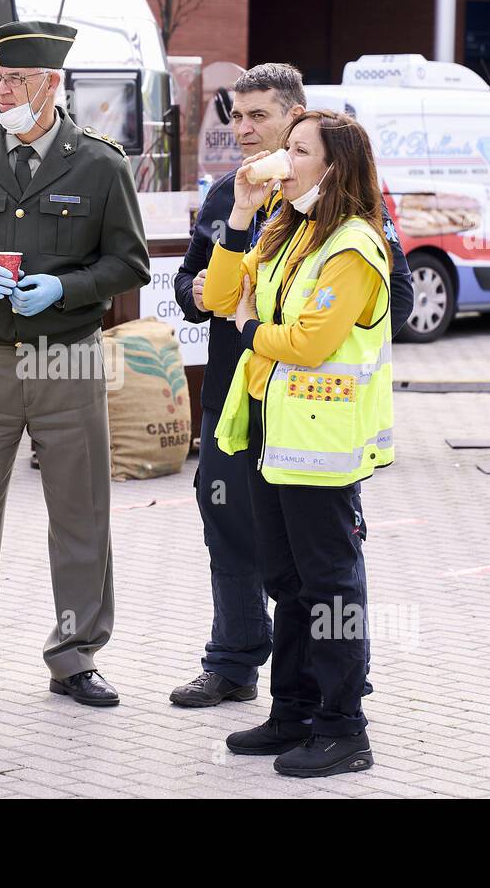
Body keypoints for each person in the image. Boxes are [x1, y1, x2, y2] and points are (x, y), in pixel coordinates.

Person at [0, 20, 150, 709]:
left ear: (52, 85)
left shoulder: (100, 164)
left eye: (15, 80)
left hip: (67, 355)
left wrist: (67, 288)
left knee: (80, 511)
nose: (2, 90)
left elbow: (128, 262)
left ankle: (75, 654)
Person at [170, 65, 413, 708]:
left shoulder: (347, 209)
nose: (244, 132)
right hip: (238, 400)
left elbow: (397, 298)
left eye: (260, 118)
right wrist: (199, 292)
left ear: (297, 121)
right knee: (237, 530)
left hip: (312, 416)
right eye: (237, 118)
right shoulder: (237, 195)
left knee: (323, 562)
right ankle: (237, 662)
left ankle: (339, 693)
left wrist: (265, 324)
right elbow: (200, 286)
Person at [204, 109, 394, 777]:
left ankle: (345, 726)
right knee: (285, 579)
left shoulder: (353, 246)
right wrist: (238, 217)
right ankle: (293, 710)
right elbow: (218, 295)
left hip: (321, 440)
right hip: (268, 431)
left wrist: (252, 329)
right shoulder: (289, 230)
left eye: (298, 150)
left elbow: (310, 343)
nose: (282, 160)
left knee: (330, 587)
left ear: (333, 166)